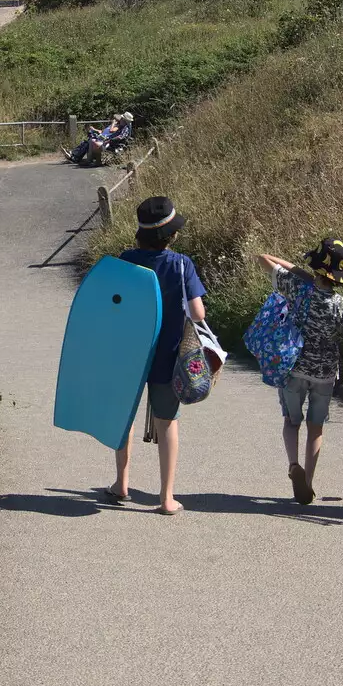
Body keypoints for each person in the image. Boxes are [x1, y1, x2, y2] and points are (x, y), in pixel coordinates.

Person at [254, 239, 343, 506]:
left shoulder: (297, 288)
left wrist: (299, 271)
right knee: (316, 428)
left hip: (294, 368)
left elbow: (262, 258)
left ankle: (294, 464)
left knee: (291, 421)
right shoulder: (342, 305)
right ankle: (308, 483)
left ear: (316, 267)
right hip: (325, 373)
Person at [111, 196, 207, 516]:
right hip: (168, 356)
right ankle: (166, 498)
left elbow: (114, 304)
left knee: (124, 420)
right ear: (172, 235)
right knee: (168, 423)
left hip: (129, 354)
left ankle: (121, 483)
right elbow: (197, 312)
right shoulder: (182, 265)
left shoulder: (126, 260)